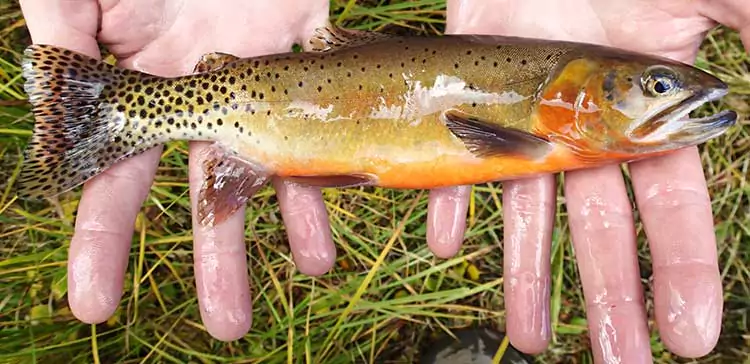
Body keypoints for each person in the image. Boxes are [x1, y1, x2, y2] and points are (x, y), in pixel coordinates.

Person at [18, 0, 746, 362]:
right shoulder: (543, 133)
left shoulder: (555, 127)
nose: (673, 97)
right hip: (253, 109)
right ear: (580, 90)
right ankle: (106, 106)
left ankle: (99, 109)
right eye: (654, 85)